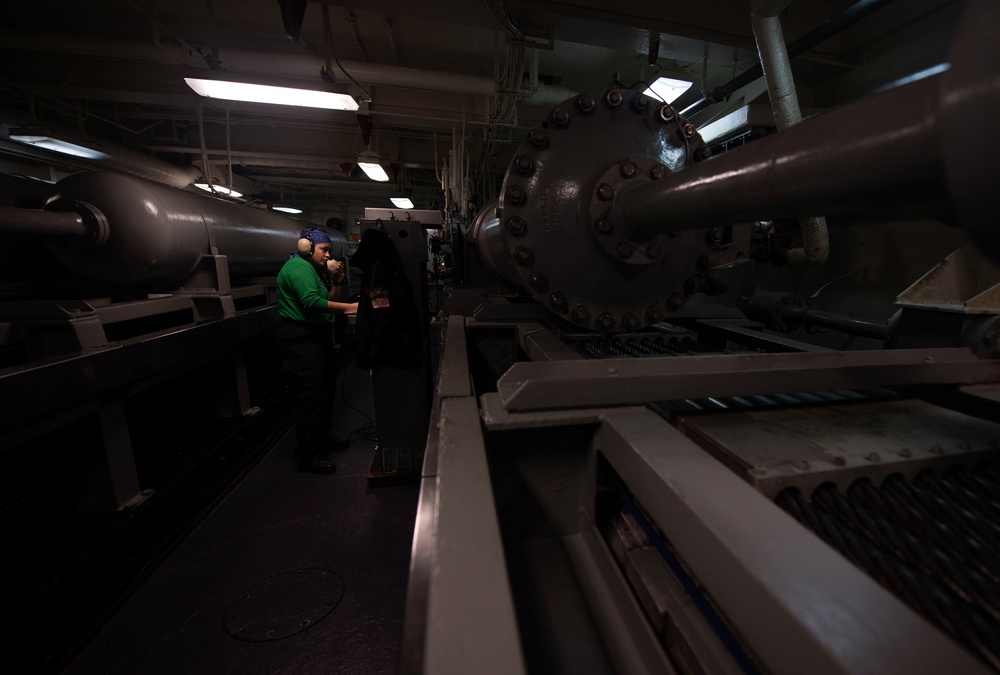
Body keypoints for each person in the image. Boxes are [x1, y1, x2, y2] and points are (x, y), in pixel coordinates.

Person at [275, 226, 358, 474]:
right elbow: (311, 303)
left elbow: (328, 298)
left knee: (324, 392)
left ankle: (322, 440)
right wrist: (350, 308)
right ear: (307, 247)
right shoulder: (299, 269)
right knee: (309, 398)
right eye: (324, 250)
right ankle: (308, 455)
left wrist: (337, 281)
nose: (328, 256)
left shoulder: (314, 269)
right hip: (301, 340)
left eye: (330, 251)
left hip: (316, 338)